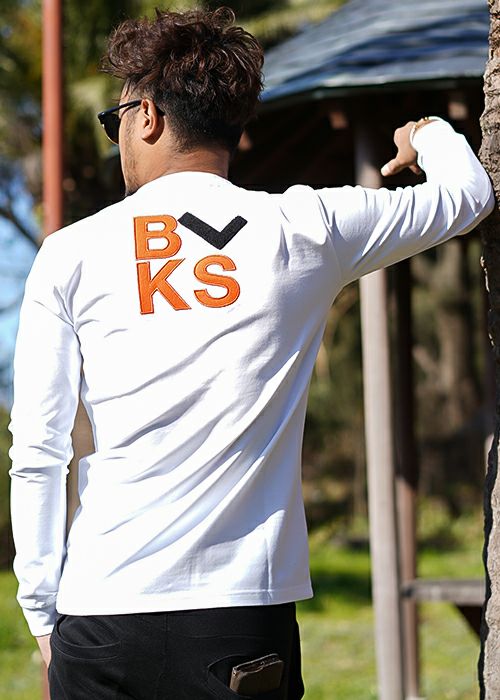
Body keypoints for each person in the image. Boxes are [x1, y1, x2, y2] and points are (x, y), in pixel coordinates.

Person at [8, 7, 494, 699]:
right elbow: (468, 194)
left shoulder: (70, 253)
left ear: (148, 116)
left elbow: (39, 451)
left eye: (116, 123)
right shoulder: (308, 227)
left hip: (103, 614)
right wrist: (428, 133)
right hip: (239, 617)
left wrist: (40, 613)